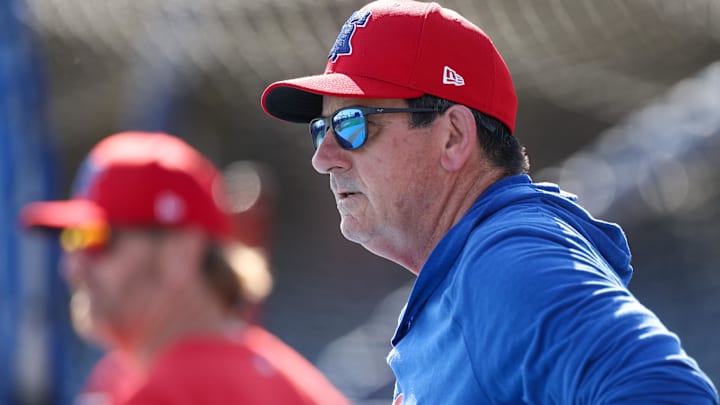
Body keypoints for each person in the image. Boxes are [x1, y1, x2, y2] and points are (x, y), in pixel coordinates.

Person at [260, 1, 719, 403]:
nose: (324, 158)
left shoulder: (508, 260)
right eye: (321, 129)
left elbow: (670, 392)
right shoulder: (475, 267)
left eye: (354, 124)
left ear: (454, 137)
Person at [21, 131, 350, 405]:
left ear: (180, 252)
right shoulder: (282, 374)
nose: (72, 266)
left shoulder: (171, 391)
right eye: (71, 239)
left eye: (96, 239)